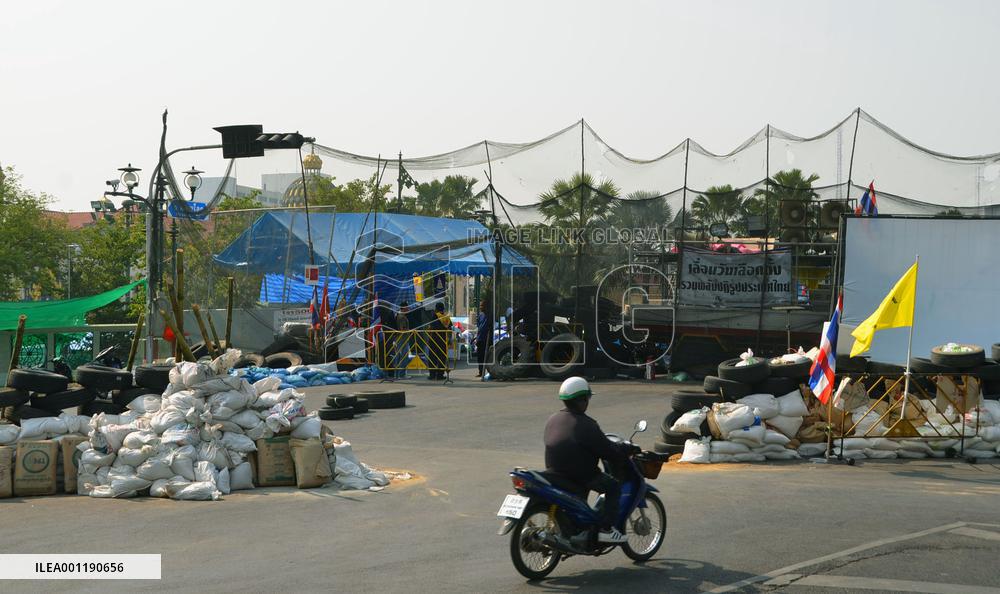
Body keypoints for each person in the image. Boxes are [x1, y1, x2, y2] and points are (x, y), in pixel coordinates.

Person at [543, 376, 629, 544]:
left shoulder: (554, 418)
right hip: (581, 475)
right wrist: (623, 452)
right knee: (613, 487)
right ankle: (606, 529)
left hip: (553, 472)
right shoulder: (586, 424)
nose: (587, 402)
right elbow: (607, 450)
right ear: (581, 399)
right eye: (587, 398)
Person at [428, 302, 452, 380]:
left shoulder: (434, 316)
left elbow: (432, 327)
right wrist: (449, 339)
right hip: (443, 340)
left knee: (433, 358)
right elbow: (450, 328)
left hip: (434, 340)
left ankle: (432, 375)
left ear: (436, 308)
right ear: (443, 308)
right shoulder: (446, 317)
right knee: (442, 358)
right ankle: (440, 375)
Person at [394, 301, 411, 378]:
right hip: (402, 338)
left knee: (399, 356)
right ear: (404, 308)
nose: (408, 308)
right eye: (407, 307)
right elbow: (402, 329)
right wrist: (410, 331)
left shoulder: (399, 315)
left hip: (400, 338)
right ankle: (401, 374)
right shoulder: (402, 317)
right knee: (404, 356)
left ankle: (397, 374)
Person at [476, 299, 491, 378]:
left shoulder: (489, 315)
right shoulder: (480, 315)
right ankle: (481, 371)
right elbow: (479, 327)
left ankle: (489, 371)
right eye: (480, 306)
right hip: (480, 338)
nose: (480, 307)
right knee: (480, 356)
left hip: (487, 339)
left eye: (482, 306)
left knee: (488, 356)